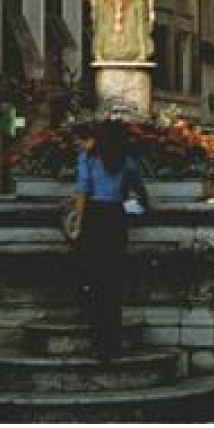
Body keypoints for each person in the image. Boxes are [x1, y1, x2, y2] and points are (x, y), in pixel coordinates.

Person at [68, 120, 146, 360]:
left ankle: (98, 343)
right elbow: (140, 192)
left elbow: (82, 191)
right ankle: (113, 345)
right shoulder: (126, 160)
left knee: (94, 283)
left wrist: (77, 223)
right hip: (116, 219)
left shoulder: (88, 160)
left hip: (94, 218)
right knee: (113, 284)